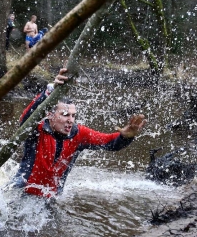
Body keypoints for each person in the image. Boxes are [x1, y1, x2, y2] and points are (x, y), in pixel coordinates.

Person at [12, 68, 147, 198]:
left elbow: (109, 143)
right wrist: (49, 91)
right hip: (22, 193)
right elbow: (25, 120)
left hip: (52, 197)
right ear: (50, 115)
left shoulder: (79, 134)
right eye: (65, 115)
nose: (70, 120)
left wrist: (124, 137)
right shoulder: (37, 130)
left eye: (73, 115)